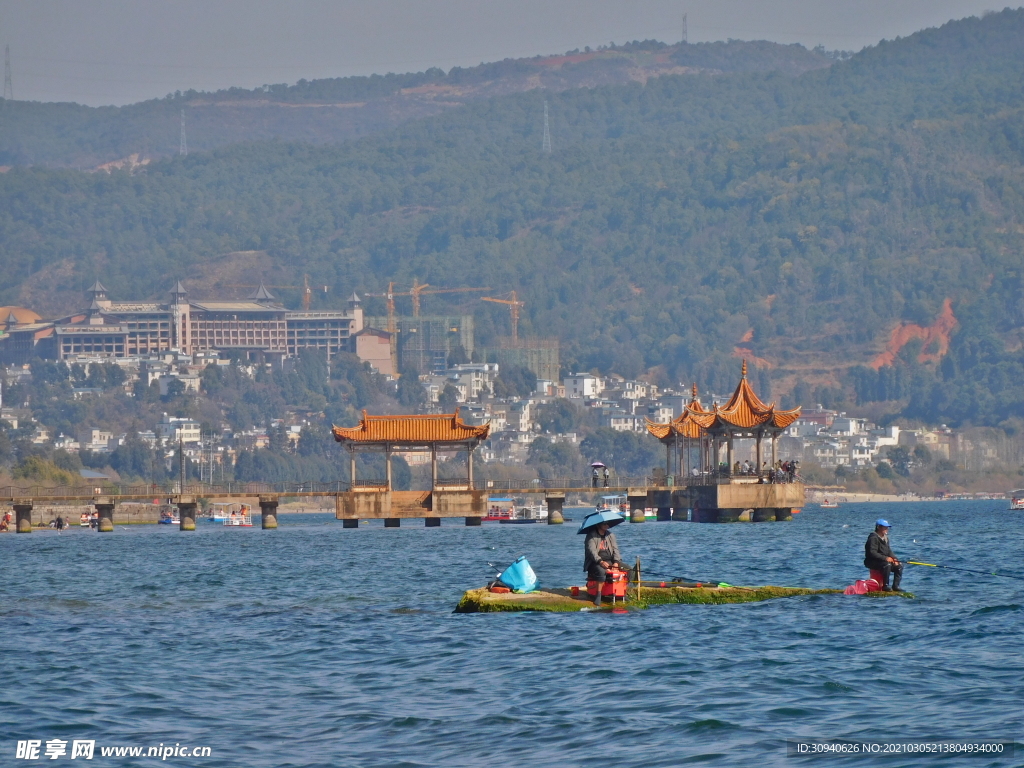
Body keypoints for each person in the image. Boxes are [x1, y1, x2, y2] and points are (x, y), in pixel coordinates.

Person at [584, 520, 624, 607]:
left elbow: (616, 550)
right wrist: (600, 562)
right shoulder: (591, 536)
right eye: (604, 523)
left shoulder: (610, 535)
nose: (607, 525)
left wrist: (616, 562)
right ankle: (598, 595)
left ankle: (623, 592)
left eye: (608, 523)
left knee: (628, 569)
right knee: (601, 571)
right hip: (595, 562)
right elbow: (592, 552)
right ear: (598, 524)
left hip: (610, 561)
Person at [864, 519, 903, 591]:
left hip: (882, 560)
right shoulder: (873, 538)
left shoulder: (886, 538)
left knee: (899, 566)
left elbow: (888, 551)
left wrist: (894, 559)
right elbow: (872, 553)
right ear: (878, 527)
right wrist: (885, 558)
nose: (887, 529)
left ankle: (896, 586)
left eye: (887, 527)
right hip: (872, 561)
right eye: (885, 527)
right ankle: (885, 586)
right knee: (887, 565)